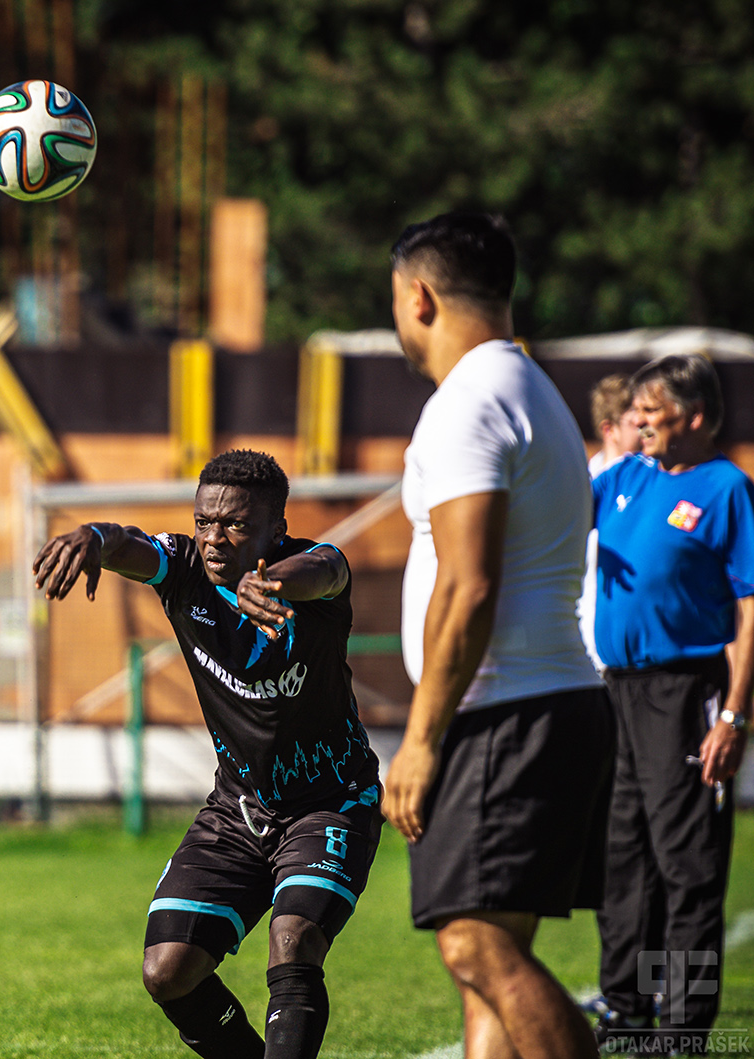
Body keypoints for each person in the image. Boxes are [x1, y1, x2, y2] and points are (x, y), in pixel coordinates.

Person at [33, 449, 382, 1059]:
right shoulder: (187, 569)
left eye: (235, 525)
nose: (215, 538)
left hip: (331, 805)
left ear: (275, 529)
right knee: (168, 970)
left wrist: (271, 582)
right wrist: (94, 536)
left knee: (294, 938)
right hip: (238, 811)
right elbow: (130, 544)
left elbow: (328, 569)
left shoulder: (314, 574)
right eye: (204, 522)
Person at [381, 211, 613, 1059]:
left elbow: (468, 585)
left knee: (473, 945)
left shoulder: (467, 404)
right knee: (485, 970)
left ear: (421, 296)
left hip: (504, 711)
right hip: (548, 703)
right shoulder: (531, 390)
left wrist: (418, 739)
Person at [589, 353, 754, 1048]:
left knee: (685, 863)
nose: (641, 420)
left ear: (693, 416)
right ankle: (626, 1006)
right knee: (625, 857)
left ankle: (683, 1025)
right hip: (617, 693)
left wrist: (733, 714)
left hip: (686, 693)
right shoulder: (625, 477)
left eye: (653, 410)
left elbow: (750, 610)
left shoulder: (727, 489)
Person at [578, 375, 644, 670]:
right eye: (635, 424)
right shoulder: (583, 485)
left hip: (639, 652)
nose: (646, 430)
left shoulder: (652, 480)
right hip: (589, 650)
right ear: (609, 429)